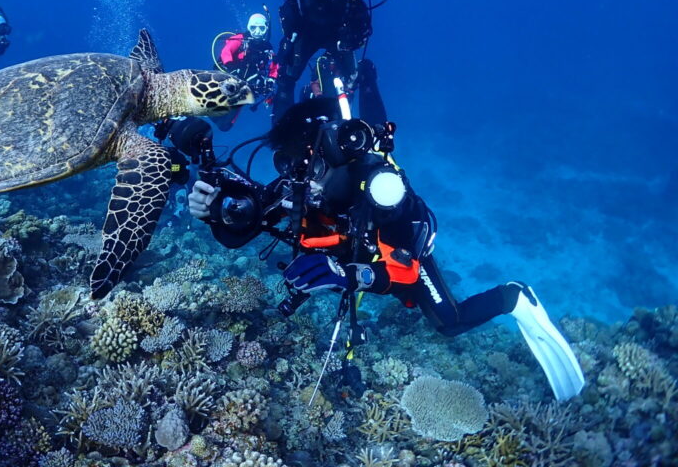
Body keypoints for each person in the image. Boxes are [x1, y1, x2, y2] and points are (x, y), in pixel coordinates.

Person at [176, 100, 585, 402]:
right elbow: (239, 232)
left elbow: (405, 273)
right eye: (288, 166)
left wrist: (348, 275)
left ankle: (513, 297)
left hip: (398, 258)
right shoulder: (299, 184)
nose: (303, 183)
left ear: (331, 157)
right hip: (352, 256)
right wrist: (215, 213)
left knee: (448, 322)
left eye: (309, 169)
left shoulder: (382, 190)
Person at [213, 12, 279, 130]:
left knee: (225, 126)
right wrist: (232, 67)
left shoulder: (267, 48)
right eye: (253, 28)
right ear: (248, 27)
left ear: (266, 29)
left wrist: (271, 80)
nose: (257, 32)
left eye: (261, 28)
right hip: (227, 79)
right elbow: (226, 52)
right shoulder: (240, 39)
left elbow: (274, 65)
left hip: (244, 87)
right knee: (213, 109)